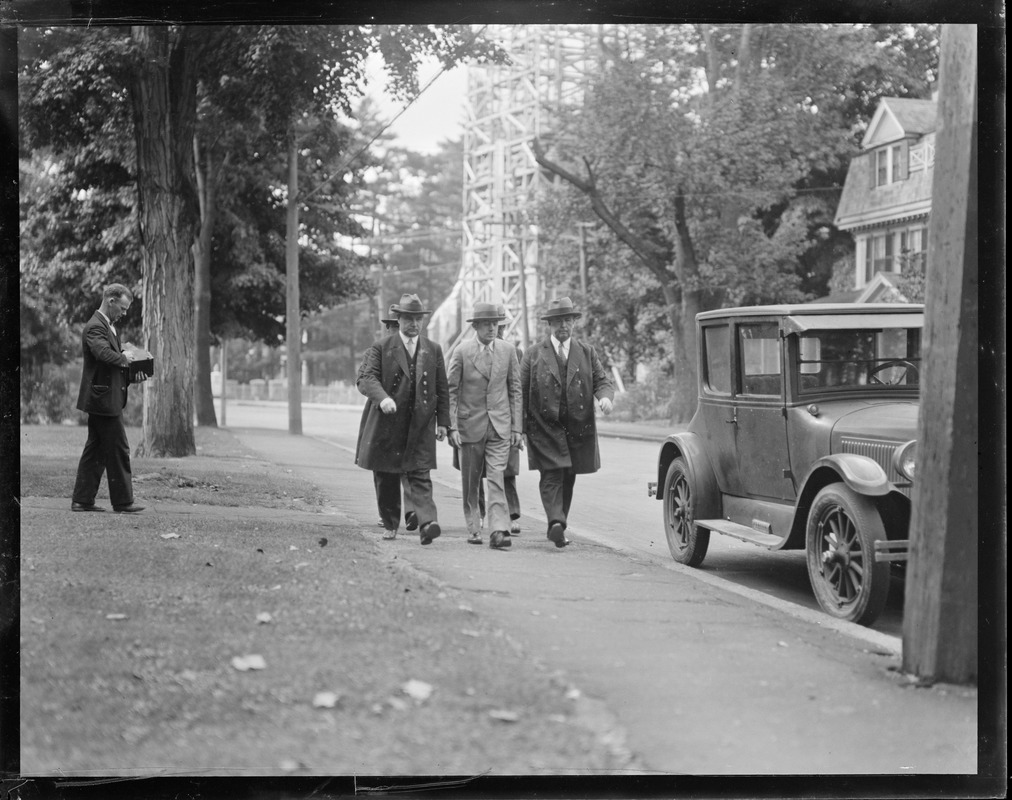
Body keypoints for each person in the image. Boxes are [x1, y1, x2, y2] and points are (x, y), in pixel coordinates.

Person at [355, 293, 449, 544]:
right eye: (409, 319)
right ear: (399, 319)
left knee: (420, 475)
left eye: (418, 319)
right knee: (386, 477)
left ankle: (428, 523)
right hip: (387, 425)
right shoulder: (381, 348)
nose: (414, 324)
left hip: (420, 426)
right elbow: (367, 379)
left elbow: (442, 388)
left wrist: (444, 423)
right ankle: (390, 523)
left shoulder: (433, 349)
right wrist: (383, 398)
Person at [521, 296, 614, 548]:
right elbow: (520, 391)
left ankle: (559, 525)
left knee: (569, 476)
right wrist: (519, 429)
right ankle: (555, 522)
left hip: (577, 428)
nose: (563, 325)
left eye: (568, 320)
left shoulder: (586, 352)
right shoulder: (533, 354)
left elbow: (602, 381)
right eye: (558, 321)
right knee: (551, 475)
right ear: (549, 325)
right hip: (543, 426)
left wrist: (605, 398)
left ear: (574, 323)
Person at [447, 303, 523, 550]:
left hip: (500, 426)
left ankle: (498, 530)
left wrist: (516, 429)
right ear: (476, 326)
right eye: (488, 324)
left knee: (497, 478)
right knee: (471, 481)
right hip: (470, 427)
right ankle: (474, 527)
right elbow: (452, 391)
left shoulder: (508, 350)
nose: (493, 328)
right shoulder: (461, 352)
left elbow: (515, 390)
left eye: (496, 323)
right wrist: (453, 427)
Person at [71, 283, 148, 513]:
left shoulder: (109, 327)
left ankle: (82, 501)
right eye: (122, 308)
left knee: (96, 450)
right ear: (111, 300)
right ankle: (123, 503)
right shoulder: (96, 326)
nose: (124, 314)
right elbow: (103, 354)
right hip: (102, 401)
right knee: (118, 449)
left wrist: (133, 375)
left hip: (103, 398)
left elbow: (110, 365)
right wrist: (126, 358)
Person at [359, 305, 417, 532]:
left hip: (410, 419)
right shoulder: (376, 351)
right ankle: (387, 514)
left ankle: (412, 511)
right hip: (383, 417)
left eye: (398, 326)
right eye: (392, 327)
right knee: (383, 469)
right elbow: (364, 379)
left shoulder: (419, 350)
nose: (396, 331)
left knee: (412, 467)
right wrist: (382, 398)